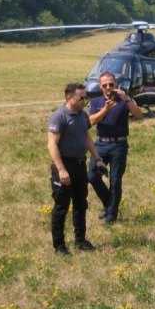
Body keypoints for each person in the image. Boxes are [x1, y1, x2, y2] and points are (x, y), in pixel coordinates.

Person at [47, 83, 105, 255]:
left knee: (81, 203)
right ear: (69, 98)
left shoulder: (82, 116)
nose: (85, 101)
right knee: (61, 206)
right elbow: (52, 145)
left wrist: (98, 158)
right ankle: (59, 245)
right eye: (81, 98)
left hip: (80, 165)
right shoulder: (59, 117)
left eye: (85, 97)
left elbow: (86, 138)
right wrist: (61, 170)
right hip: (64, 165)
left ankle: (80, 239)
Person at [87, 72, 144, 224]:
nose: (108, 88)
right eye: (104, 85)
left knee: (115, 180)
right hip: (101, 144)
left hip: (119, 144)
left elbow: (139, 115)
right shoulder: (96, 101)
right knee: (92, 176)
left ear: (116, 84)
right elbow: (91, 121)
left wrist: (127, 99)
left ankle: (111, 215)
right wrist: (105, 109)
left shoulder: (123, 100)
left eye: (111, 84)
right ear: (100, 86)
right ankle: (109, 204)